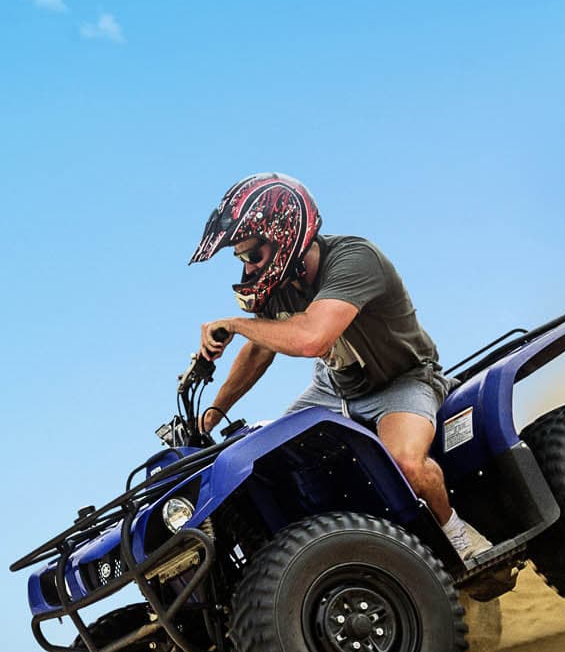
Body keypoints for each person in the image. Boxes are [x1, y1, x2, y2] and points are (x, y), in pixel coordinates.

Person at [188, 172, 493, 562]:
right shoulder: (280, 282)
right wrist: (213, 415)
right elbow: (259, 349)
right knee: (266, 463)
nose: (247, 270)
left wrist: (235, 323)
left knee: (406, 463)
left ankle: (461, 539)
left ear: (283, 236)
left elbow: (312, 338)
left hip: (402, 380)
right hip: (333, 389)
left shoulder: (354, 260)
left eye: (251, 256)